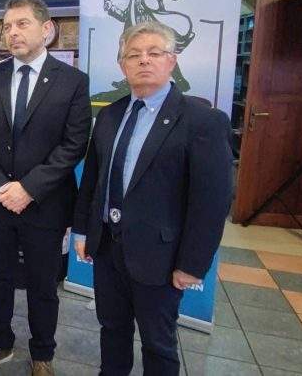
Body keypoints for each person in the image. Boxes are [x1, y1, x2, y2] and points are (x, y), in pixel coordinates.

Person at [72, 21, 233, 375]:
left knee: (158, 344)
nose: (143, 60)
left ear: (171, 60)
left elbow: (212, 202)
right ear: (122, 66)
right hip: (107, 249)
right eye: (133, 55)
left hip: (160, 257)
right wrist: (82, 230)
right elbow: (93, 181)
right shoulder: (109, 115)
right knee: (112, 330)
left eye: (154, 53)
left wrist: (192, 263)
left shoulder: (203, 121)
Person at [0, 0, 91, 376]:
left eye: (22, 23)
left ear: (47, 29)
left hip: (45, 204)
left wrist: (29, 188)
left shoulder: (72, 82)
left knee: (42, 285)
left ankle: (42, 354)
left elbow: (74, 144)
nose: (13, 32)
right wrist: (2, 187)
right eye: (7, 26)